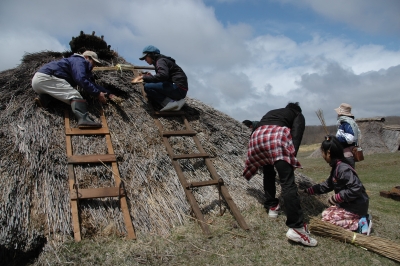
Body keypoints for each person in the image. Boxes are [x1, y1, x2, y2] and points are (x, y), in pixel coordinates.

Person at [243, 102, 317, 247]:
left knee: (268, 173)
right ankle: (297, 228)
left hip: (257, 138)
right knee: (287, 182)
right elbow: (296, 135)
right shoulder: (297, 114)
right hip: (275, 138)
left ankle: (272, 207)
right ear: (297, 110)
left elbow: (257, 127)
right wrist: (292, 157)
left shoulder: (273, 112)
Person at [304, 135, 371, 235]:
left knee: (328, 221)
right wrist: (310, 190)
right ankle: (355, 218)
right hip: (347, 204)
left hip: (355, 206)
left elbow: (356, 188)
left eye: (323, 152)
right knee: (325, 213)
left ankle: (361, 223)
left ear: (329, 153)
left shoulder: (343, 169)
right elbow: (328, 185)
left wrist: (338, 197)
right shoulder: (336, 167)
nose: (322, 155)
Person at [32, 51, 114, 128]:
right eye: (94, 62)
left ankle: (44, 99)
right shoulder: (79, 61)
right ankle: (84, 120)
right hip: (46, 78)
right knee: (74, 95)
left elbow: (90, 83)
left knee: (61, 91)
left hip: (39, 82)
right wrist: (97, 94)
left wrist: (108, 93)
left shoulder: (75, 62)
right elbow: (81, 79)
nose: (94, 66)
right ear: (86, 57)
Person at [132, 45, 188, 111]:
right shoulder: (163, 61)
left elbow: (163, 75)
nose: (145, 60)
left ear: (151, 55)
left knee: (148, 87)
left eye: (145, 57)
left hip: (177, 88)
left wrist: (143, 77)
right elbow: (163, 77)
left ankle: (170, 103)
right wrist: (150, 77)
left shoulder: (160, 61)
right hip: (180, 89)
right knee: (151, 85)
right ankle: (173, 101)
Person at [335, 103, 361, 168]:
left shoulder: (346, 123)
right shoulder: (349, 123)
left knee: (347, 175)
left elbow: (350, 139)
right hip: (347, 154)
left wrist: (336, 139)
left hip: (346, 155)